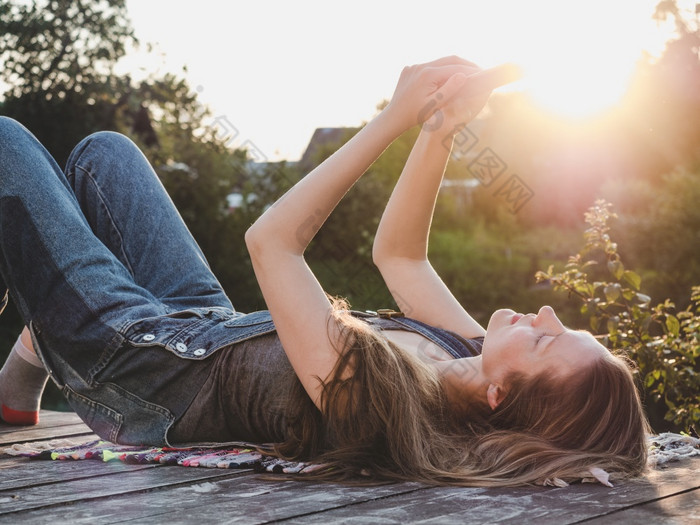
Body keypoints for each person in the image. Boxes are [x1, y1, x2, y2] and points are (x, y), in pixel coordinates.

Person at [0, 56, 649, 487]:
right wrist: (441, 130)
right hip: (206, 328)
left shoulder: (385, 403)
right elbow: (401, 256)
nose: (545, 314)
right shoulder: (471, 350)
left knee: (7, 143)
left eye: (543, 339)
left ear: (500, 396)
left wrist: (393, 118)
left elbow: (274, 241)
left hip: (136, 371)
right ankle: (34, 349)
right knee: (104, 153)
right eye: (562, 323)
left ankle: (56, 335)